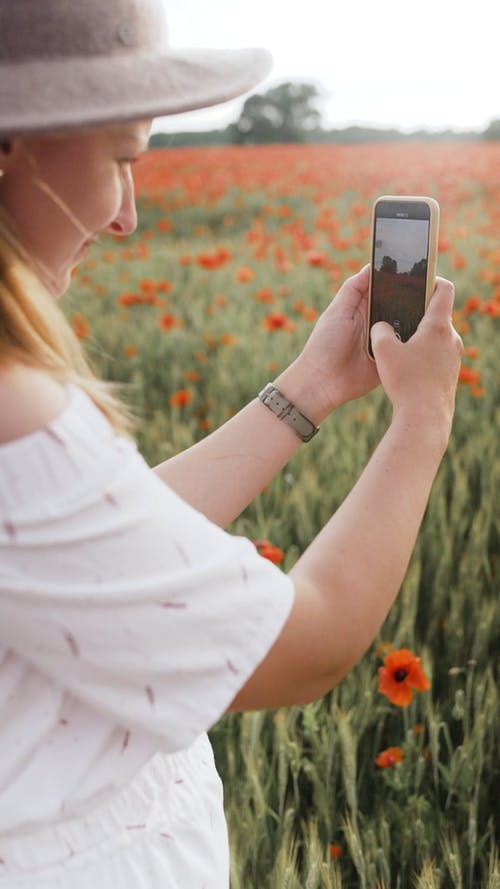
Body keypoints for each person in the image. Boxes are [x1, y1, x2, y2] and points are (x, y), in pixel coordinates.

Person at [0, 0, 463, 886]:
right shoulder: (14, 410)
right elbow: (309, 642)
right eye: (123, 158)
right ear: (10, 143)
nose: (128, 215)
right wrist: (423, 423)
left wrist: (309, 388)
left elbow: (100, 546)